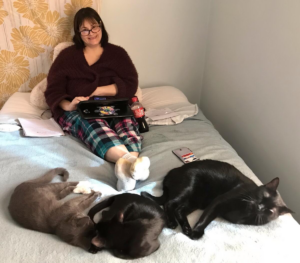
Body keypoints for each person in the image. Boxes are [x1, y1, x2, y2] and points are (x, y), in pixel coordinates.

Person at [45, 7, 150, 191]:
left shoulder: (117, 54)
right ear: (78, 33)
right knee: (93, 124)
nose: (91, 33)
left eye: (94, 27)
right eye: (84, 29)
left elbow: (130, 83)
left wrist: (98, 90)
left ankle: (126, 169)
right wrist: (68, 105)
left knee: (126, 124)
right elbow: (53, 90)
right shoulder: (67, 56)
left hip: (113, 105)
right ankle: (132, 164)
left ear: (101, 26)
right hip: (80, 109)